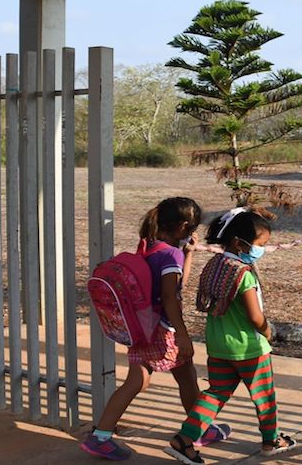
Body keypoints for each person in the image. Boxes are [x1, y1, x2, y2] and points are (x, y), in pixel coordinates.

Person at [81, 197, 231, 460]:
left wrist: (188, 254)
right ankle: (200, 429)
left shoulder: (149, 247)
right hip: (163, 330)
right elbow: (171, 296)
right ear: (184, 227)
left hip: (142, 328)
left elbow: (173, 283)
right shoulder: (170, 254)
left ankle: (100, 436)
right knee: (187, 378)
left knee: (136, 381)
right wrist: (182, 335)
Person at [165, 207, 297, 464]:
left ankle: (184, 439)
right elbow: (255, 317)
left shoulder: (216, 265)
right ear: (240, 243)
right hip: (249, 349)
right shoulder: (243, 274)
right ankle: (271, 440)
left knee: (214, 394)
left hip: (219, 347)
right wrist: (268, 331)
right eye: (260, 245)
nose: (261, 250)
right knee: (264, 397)